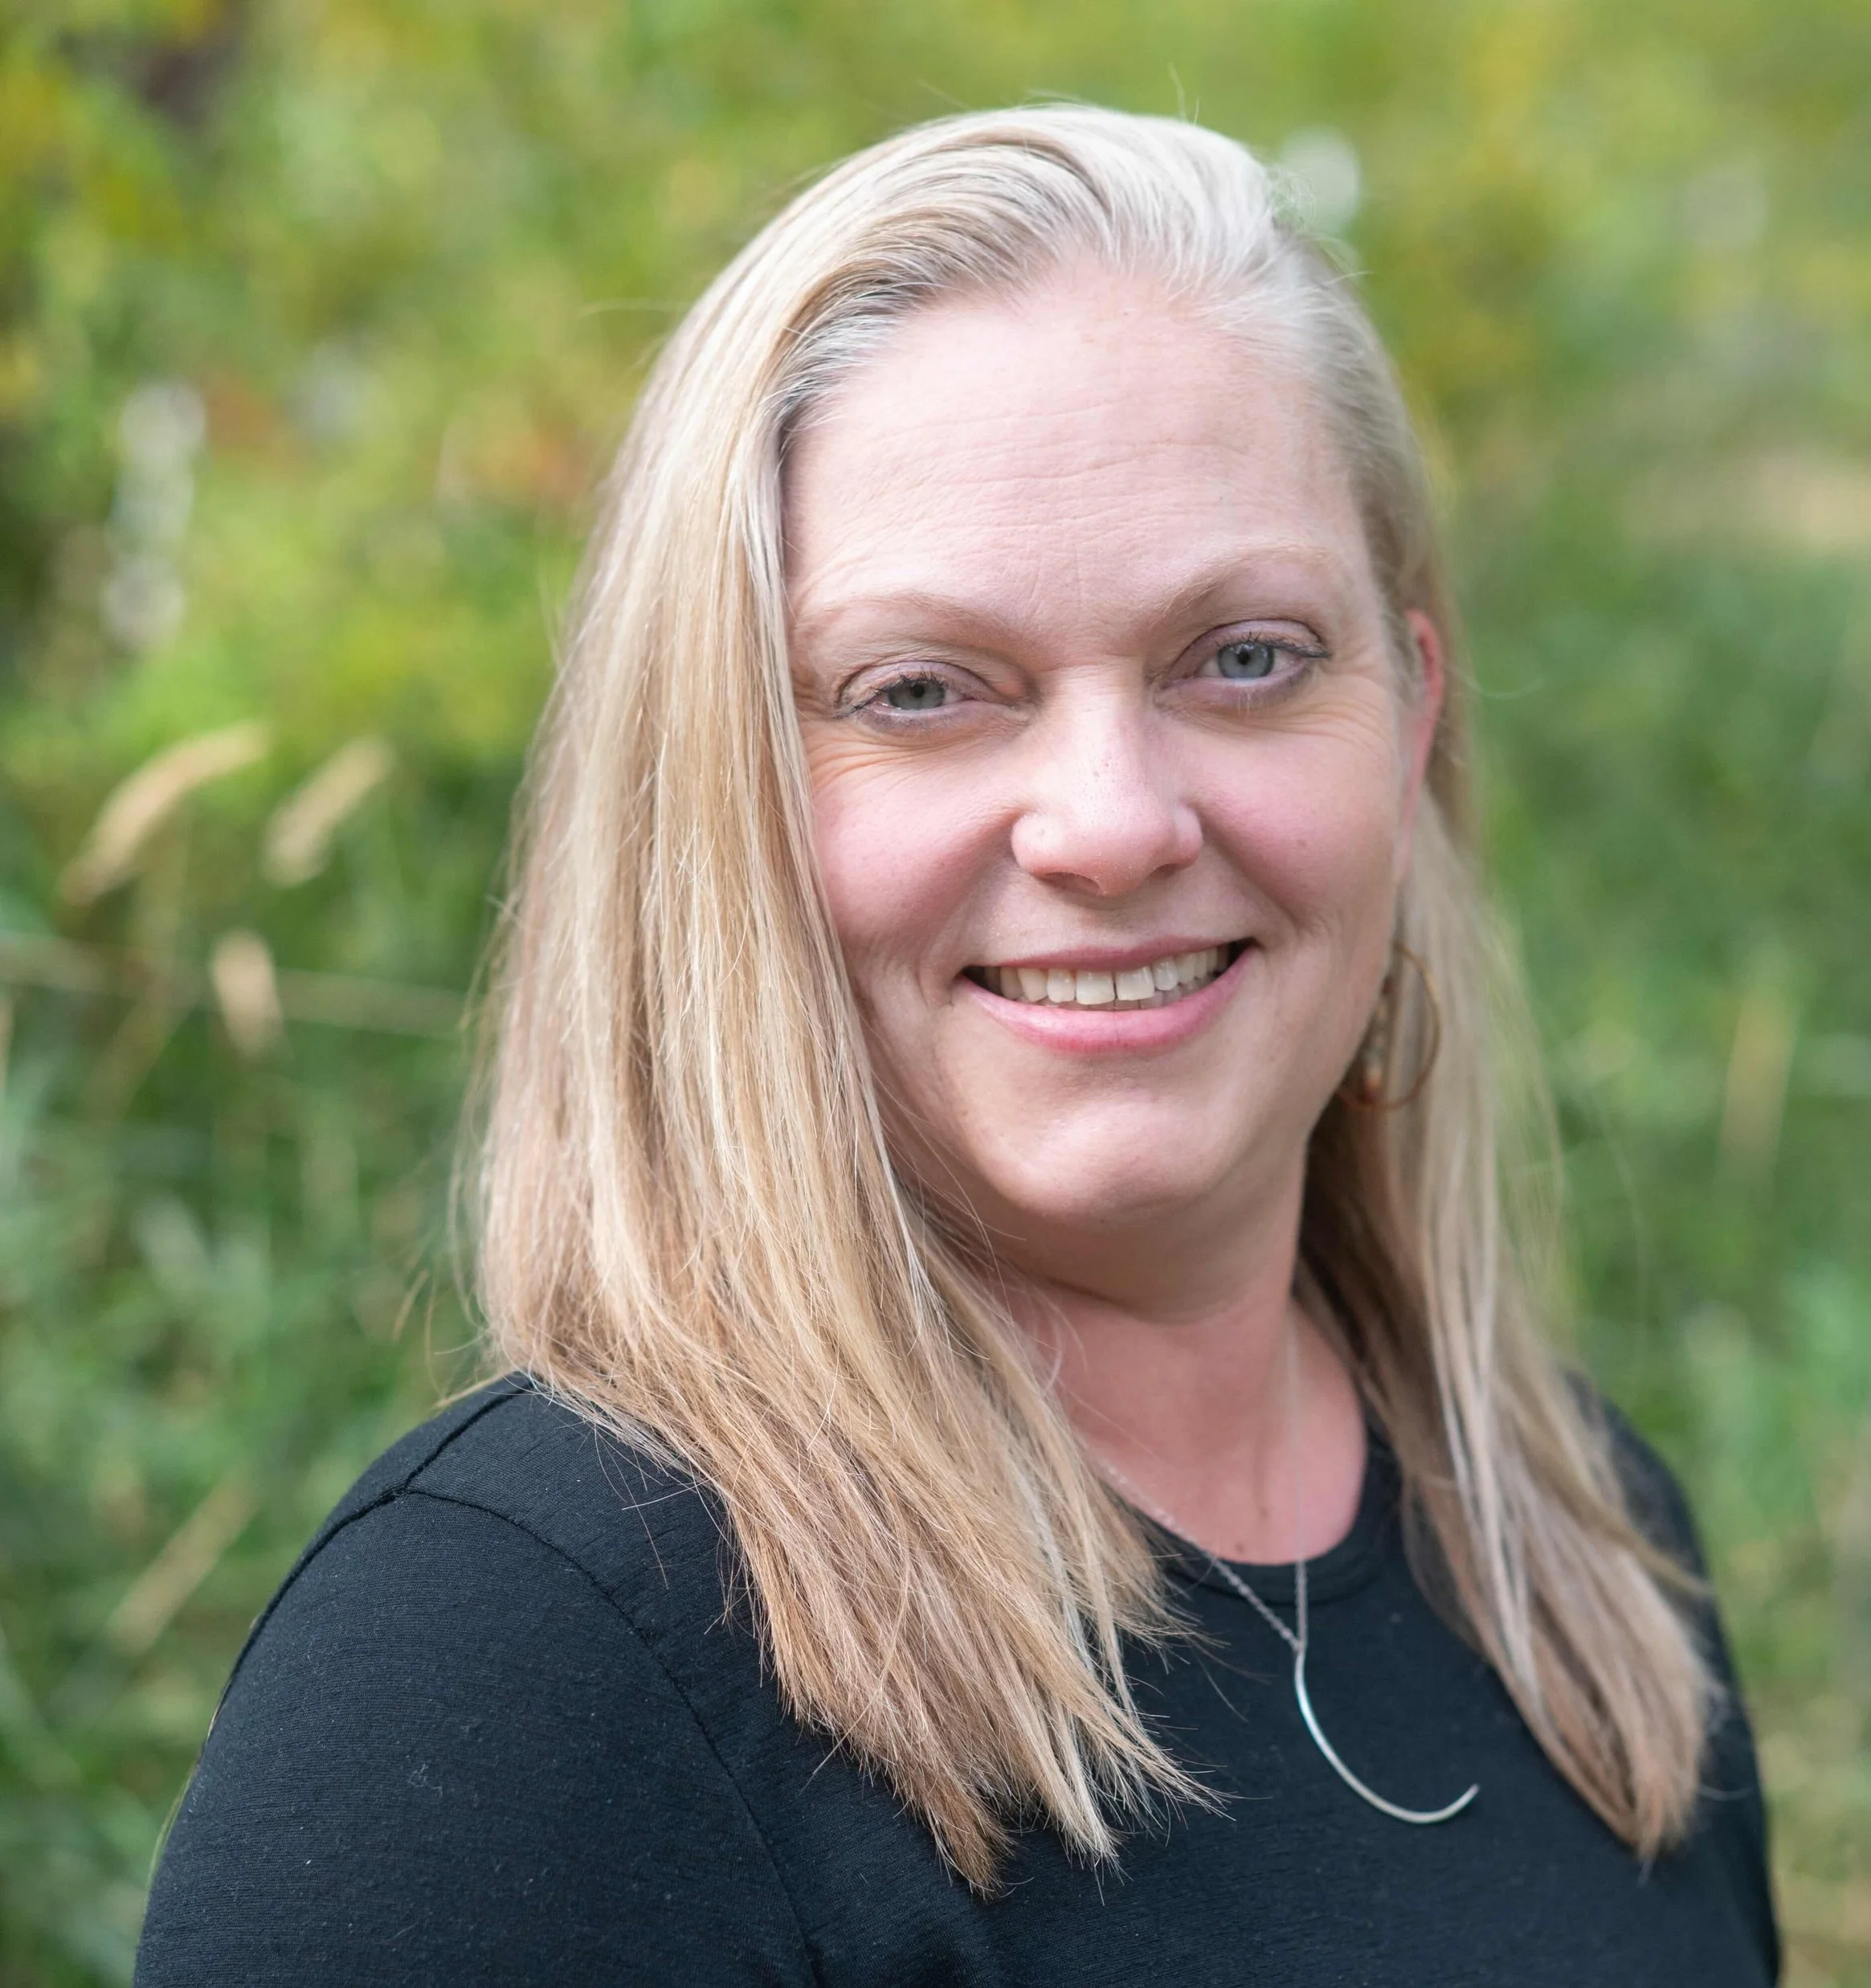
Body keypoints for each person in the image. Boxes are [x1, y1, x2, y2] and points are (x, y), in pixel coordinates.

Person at [136, 106, 1779, 1984]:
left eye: (1239, 655)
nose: (1109, 820)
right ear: (719, 805)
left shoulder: (1580, 1559)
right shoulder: (521, 1680)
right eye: (917, 692)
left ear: (1406, 725)